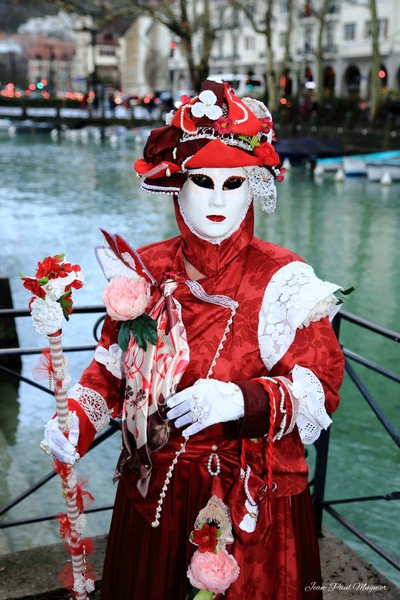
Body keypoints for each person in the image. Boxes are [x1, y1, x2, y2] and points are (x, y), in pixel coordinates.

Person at [44, 77, 344, 599]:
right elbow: (112, 370)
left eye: (233, 183)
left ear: (254, 187)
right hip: (153, 495)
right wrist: (78, 419)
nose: (217, 200)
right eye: (202, 181)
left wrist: (238, 399)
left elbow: (320, 389)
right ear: (177, 185)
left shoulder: (285, 279)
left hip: (246, 502)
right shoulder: (147, 269)